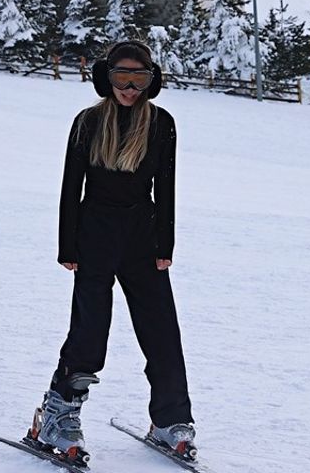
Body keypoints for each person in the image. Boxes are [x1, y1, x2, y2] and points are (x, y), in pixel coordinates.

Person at [28, 40, 196, 466]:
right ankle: (58, 416)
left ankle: (170, 419)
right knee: (90, 333)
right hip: (95, 234)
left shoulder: (162, 124)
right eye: (122, 77)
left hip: (142, 234)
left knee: (162, 330)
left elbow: (167, 188)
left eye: (139, 78)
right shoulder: (87, 122)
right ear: (107, 77)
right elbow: (70, 188)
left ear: (151, 80)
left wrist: (165, 244)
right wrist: (68, 245)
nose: (129, 87)